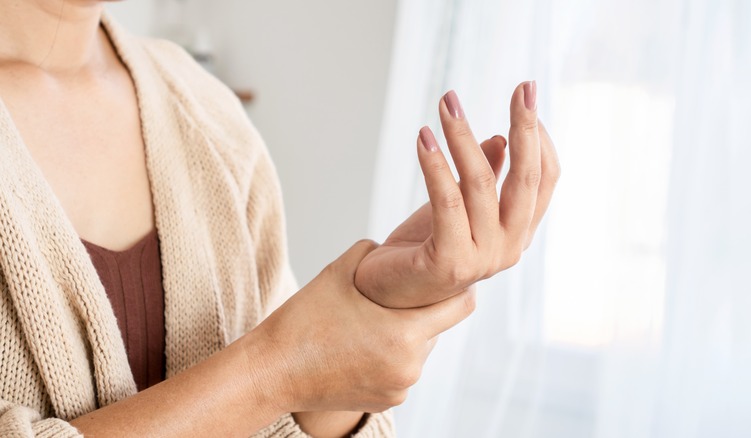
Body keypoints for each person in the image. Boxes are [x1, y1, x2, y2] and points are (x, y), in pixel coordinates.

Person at [0, 1, 559, 437]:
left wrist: (368, 318)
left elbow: (286, 414)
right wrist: (275, 369)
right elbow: (278, 370)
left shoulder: (205, 110)